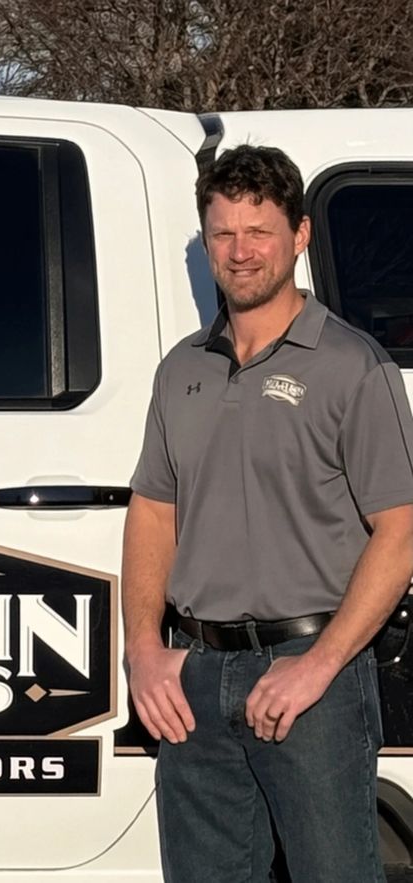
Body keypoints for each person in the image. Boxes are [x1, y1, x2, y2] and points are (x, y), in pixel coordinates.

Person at [124, 144, 413, 882]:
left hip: (310, 679)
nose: (241, 251)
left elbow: (402, 531)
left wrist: (317, 667)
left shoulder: (353, 365)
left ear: (300, 236)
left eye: (260, 232)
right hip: (194, 680)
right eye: (223, 234)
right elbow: (154, 512)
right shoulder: (181, 368)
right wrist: (146, 652)